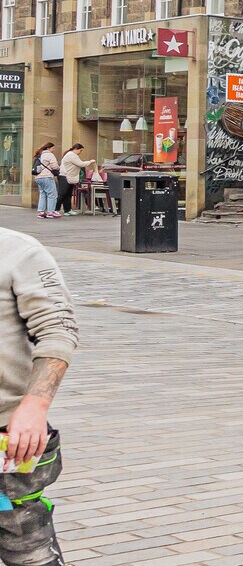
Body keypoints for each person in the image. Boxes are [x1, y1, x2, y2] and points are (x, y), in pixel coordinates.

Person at [0, 218, 78, 565]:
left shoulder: (18, 251)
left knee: (29, 554)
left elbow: (58, 329)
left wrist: (34, 405)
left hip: (8, 440)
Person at [54, 148, 90, 219]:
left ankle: (67, 210)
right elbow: (81, 164)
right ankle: (55, 209)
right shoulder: (71, 155)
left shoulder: (70, 155)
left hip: (69, 177)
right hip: (64, 176)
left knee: (68, 194)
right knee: (62, 193)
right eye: (80, 150)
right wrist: (90, 161)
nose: (80, 152)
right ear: (76, 149)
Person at [28, 148, 56, 221]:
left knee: (42, 194)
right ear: (48, 148)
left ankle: (41, 212)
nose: (54, 149)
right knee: (52, 194)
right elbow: (55, 166)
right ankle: (50, 212)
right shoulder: (49, 155)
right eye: (53, 148)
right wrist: (58, 169)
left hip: (38, 177)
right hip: (47, 176)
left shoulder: (39, 156)